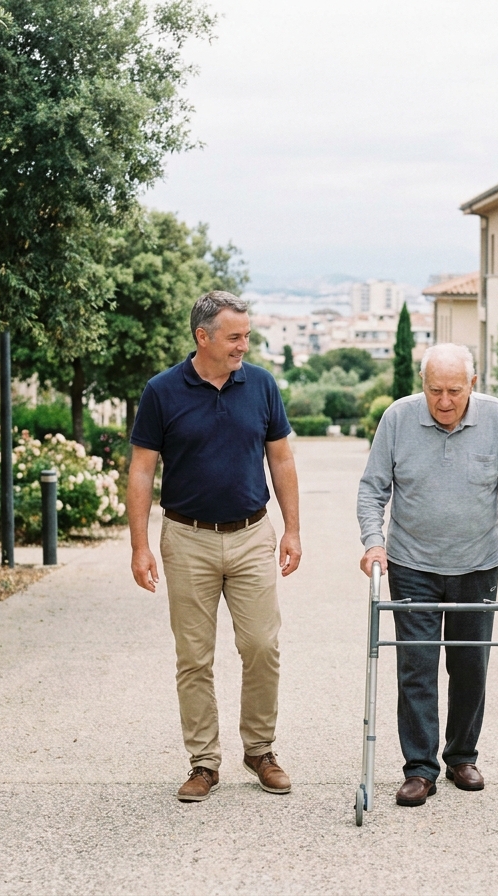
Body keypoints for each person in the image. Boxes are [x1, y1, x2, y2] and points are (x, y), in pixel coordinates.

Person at [128, 290, 302, 803]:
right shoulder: (162, 391)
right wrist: (140, 547)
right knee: (194, 657)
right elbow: (141, 470)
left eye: (246, 335)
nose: (243, 345)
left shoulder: (262, 386)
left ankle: (260, 750)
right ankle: (204, 762)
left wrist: (292, 529)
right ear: (202, 337)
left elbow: (283, 461)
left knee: (262, 647)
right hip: (187, 539)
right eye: (235, 337)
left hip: (251, 535)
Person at [356, 342, 498, 807]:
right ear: (423, 385)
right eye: (435, 390)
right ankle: (419, 769)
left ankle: (461, 757)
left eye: (455, 390)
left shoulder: (497, 419)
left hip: (477, 564)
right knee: (416, 665)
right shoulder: (397, 419)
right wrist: (373, 543)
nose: (445, 401)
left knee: (470, 665)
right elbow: (372, 490)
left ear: (473, 384)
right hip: (412, 563)